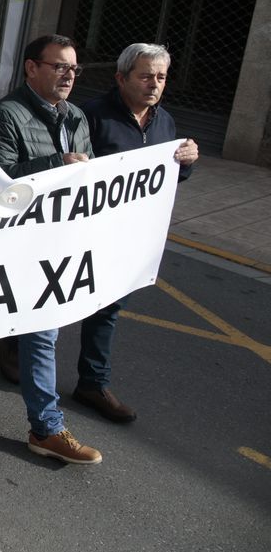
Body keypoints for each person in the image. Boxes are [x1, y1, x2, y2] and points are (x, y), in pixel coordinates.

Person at [0, 34, 102, 465]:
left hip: (49, 247)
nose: (68, 75)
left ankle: (46, 428)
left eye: (74, 69)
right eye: (59, 66)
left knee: (42, 332)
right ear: (32, 68)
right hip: (2, 247)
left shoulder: (79, 117)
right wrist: (56, 165)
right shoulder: (5, 115)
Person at [76, 43, 200, 423]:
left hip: (129, 236)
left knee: (108, 308)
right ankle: (14, 349)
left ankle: (92, 383)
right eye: (145, 76)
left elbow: (167, 177)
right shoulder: (92, 116)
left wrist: (188, 162)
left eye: (160, 77)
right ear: (121, 77)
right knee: (48, 300)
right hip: (82, 233)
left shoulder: (165, 122)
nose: (154, 84)